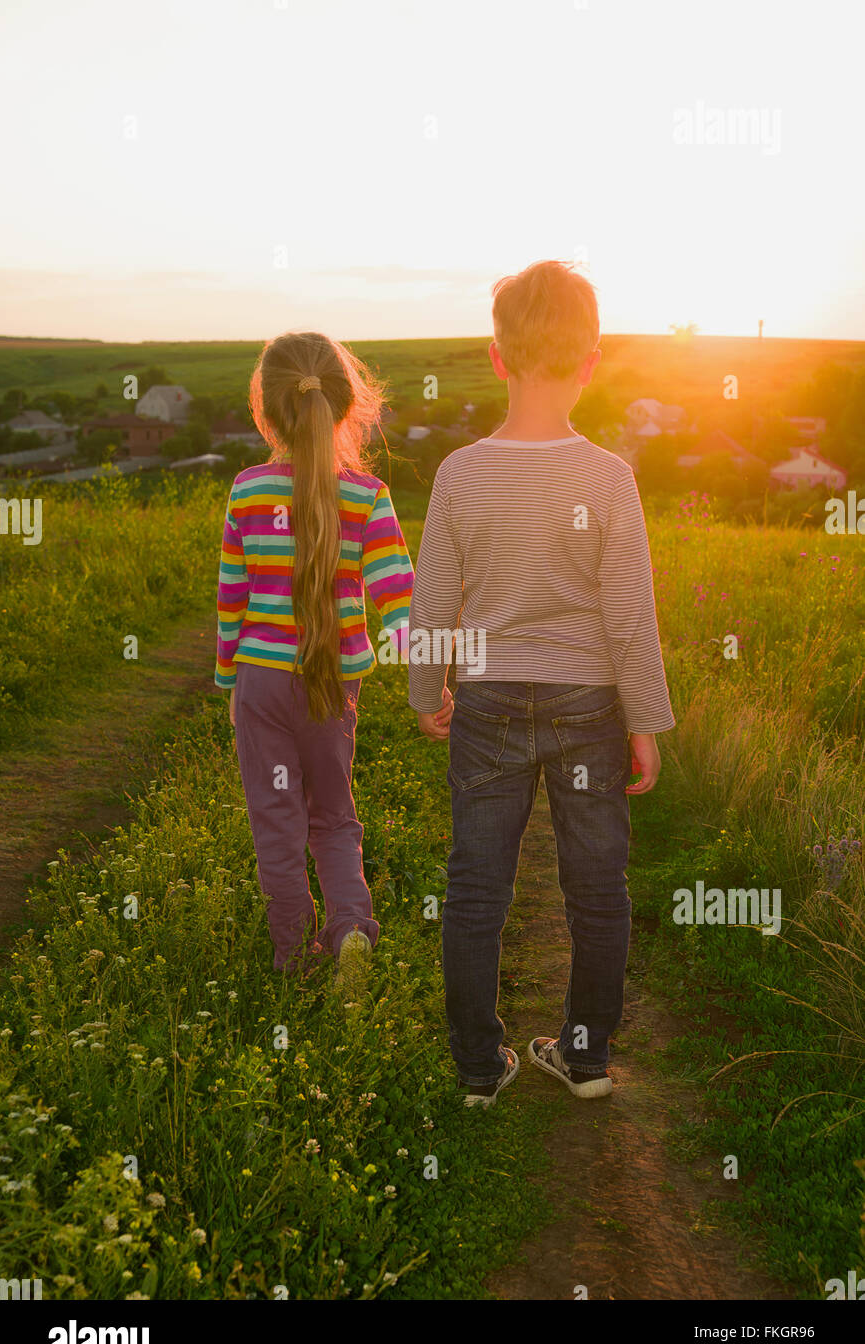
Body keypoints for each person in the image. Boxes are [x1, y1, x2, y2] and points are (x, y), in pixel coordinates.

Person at [408, 261, 675, 1106]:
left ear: (495, 356)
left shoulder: (458, 473)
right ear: (591, 360)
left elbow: (433, 605)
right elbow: (628, 613)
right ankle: (587, 1059)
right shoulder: (607, 477)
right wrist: (645, 720)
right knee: (596, 886)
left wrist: (426, 695)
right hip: (589, 705)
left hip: (485, 702)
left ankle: (479, 1071)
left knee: (476, 885)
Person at [215, 330, 447, 989]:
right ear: (349, 408)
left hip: (262, 684)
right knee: (334, 817)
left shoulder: (246, 492)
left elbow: (232, 600)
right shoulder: (368, 497)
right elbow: (400, 602)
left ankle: (292, 958)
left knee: (276, 822)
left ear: (265, 409)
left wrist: (230, 679)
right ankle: (349, 930)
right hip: (331, 687)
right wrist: (428, 687)